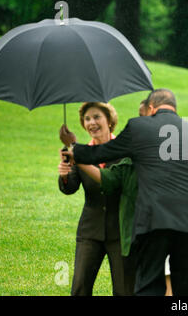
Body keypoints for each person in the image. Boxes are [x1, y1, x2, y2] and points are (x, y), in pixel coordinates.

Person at [60, 88, 188, 296]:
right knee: (187, 292)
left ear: (151, 107)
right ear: (174, 108)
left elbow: (103, 152)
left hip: (152, 222)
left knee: (148, 287)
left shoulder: (139, 127)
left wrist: (73, 147)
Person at [58, 102, 132, 296]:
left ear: (109, 120)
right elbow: (70, 188)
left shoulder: (125, 150)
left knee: (125, 291)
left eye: (96, 117)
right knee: (80, 288)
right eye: (87, 119)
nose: (92, 123)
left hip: (120, 232)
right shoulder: (80, 152)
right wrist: (65, 174)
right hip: (90, 230)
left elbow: (119, 183)